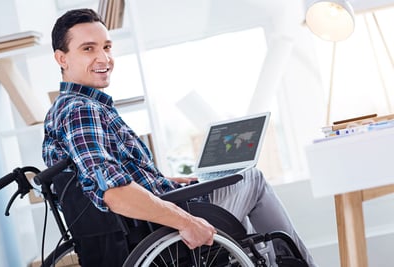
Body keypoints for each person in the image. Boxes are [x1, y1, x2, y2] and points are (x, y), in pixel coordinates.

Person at [42, 8, 317, 267]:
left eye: (107, 47)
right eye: (88, 49)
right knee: (251, 179)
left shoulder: (63, 111)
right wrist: (186, 221)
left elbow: (98, 178)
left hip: (148, 222)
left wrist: (164, 181)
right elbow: (113, 193)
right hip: (158, 230)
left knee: (229, 190)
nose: (103, 58)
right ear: (62, 58)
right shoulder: (81, 111)